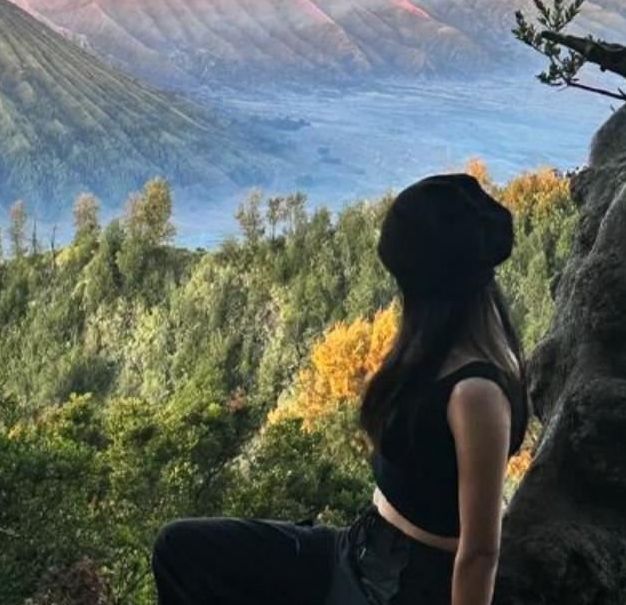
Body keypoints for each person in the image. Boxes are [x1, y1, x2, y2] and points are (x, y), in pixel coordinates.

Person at [151, 173, 529, 605]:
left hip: (403, 589)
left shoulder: (476, 393)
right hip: (358, 549)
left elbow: (479, 552)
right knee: (181, 550)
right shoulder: (429, 351)